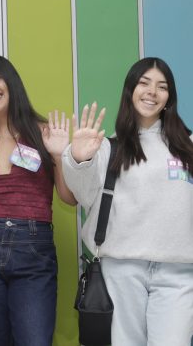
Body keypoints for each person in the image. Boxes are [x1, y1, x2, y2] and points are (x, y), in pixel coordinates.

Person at [63, 57, 193, 346]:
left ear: (169, 98)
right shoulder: (108, 147)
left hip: (179, 273)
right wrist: (79, 159)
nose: (152, 92)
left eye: (162, 86)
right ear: (130, 90)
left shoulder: (189, 146)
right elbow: (84, 194)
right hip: (121, 269)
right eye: (144, 83)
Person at [0, 54, 76, 346]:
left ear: (12, 82)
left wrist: (59, 155)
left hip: (33, 250)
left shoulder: (45, 132)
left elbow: (69, 199)